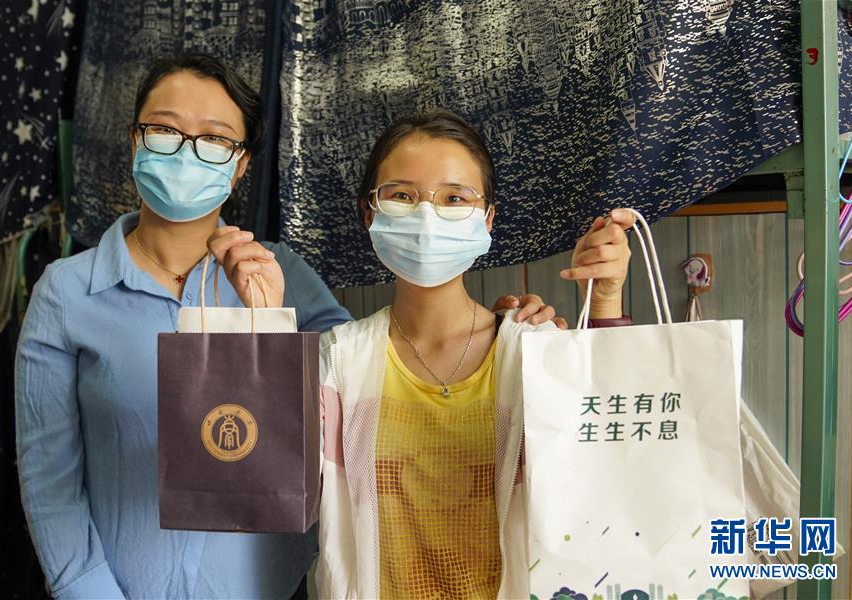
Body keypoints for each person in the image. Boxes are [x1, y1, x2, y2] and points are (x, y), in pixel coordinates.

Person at [15, 54, 558, 599]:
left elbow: (364, 396)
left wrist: (508, 334)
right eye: (165, 130)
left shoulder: (282, 275)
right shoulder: (67, 293)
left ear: (241, 164)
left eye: (214, 138)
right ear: (136, 140)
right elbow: (48, 478)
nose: (187, 151)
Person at [210, 109, 635, 599]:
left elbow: (609, 463)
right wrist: (264, 323)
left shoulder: (533, 352)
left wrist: (605, 301)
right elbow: (260, 480)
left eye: (454, 198)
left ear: (487, 217)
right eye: (403, 196)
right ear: (369, 213)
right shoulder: (336, 362)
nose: (427, 216)